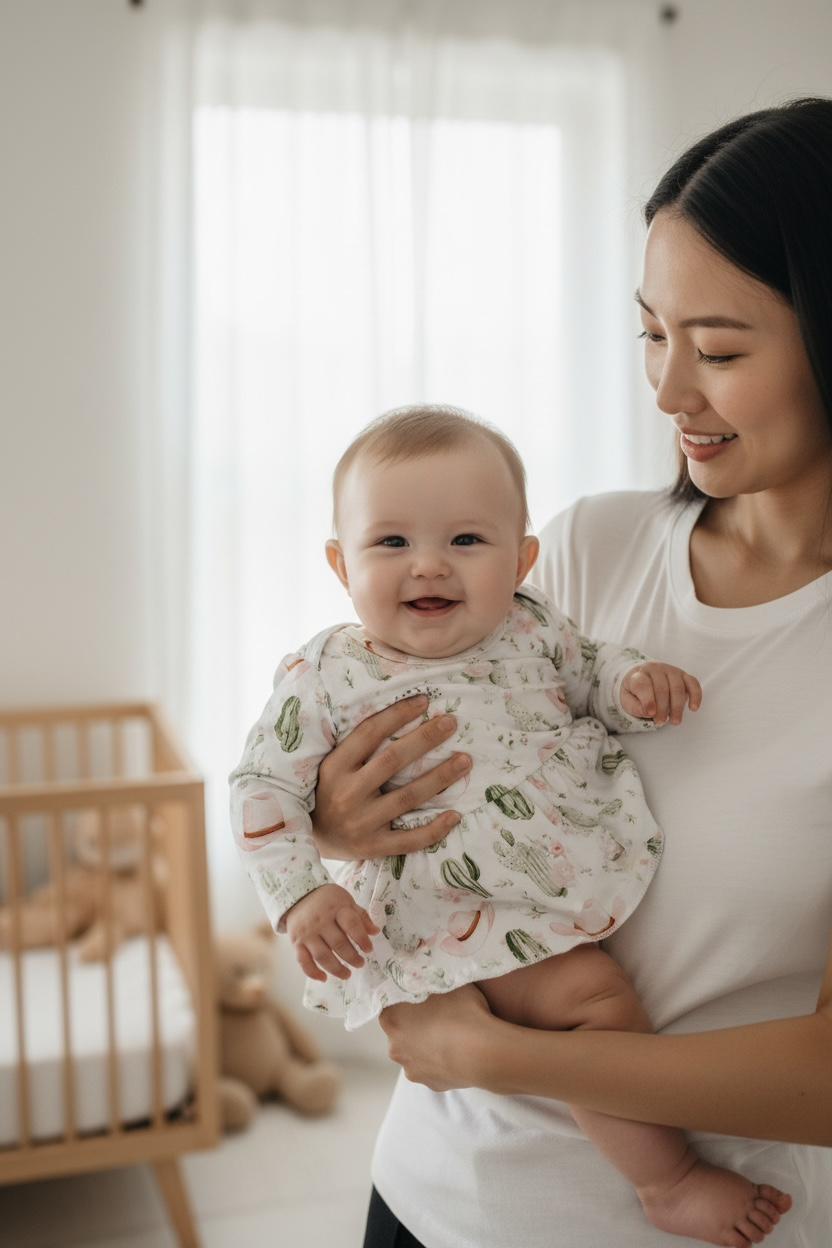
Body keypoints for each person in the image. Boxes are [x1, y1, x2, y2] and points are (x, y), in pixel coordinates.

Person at [306, 98, 832, 1248]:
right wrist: (339, 820)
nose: (667, 390)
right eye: (651, 334)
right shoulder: (589, 548)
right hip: (427, 1197)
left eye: (721, 348)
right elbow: (399, 760)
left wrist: (498, 1055)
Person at [230, 406, 789, 1246]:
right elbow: (261, 785)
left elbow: (593, 671)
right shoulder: (326, 673)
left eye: (466, 541)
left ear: (522, 559)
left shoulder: (532, 628)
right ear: (340, 564)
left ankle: (659, 1180)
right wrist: (301, 893)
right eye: (390, 544)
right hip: (421, 929)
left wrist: (635, 684)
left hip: (528, 909)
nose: (429, 565)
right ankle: (669, 1178)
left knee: (597, 1003)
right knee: (591, 1003)